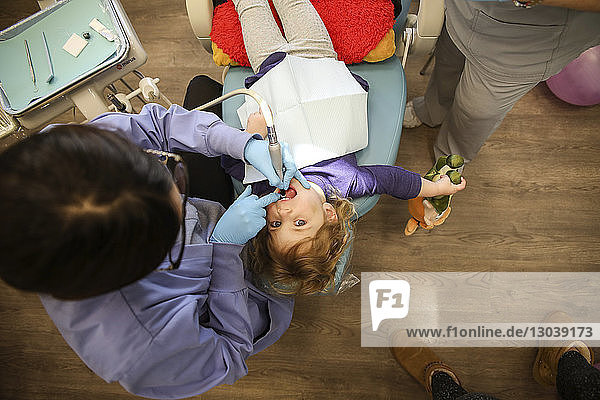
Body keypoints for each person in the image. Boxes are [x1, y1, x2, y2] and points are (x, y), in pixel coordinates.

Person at [0, 100, 310, 398]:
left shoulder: (66, 156)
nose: (179, 189)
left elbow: (158, 126)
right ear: (147, 262)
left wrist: (241, 145)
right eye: (176, 214)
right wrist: (224, 254)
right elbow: (230, 351)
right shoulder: (144, 351)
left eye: (164, 171)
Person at [222, 0, 467, 296]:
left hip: (268, 70)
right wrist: (435, 190)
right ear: (328, 214)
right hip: (317, 57)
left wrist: (249, 140)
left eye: (275, 223)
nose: (283, 210)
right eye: (299, 222)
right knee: (295, 4)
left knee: (250, 9)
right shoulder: (343, 181)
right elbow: (391, 180)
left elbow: (229, 163)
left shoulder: (263, 188)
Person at [402, 0, 600, 164]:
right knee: (447, 64)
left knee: (476, 110)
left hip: (528, 39)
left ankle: (450, 159)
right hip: (463, 10)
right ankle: (431, 109)